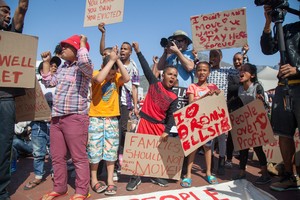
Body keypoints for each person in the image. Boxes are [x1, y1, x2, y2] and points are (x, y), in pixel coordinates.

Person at [40, 34, 93, 200]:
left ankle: (82, 191)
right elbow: (48, 82)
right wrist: (47, 62)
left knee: (78, 157)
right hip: (57, 118)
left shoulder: (83, 68)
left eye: (67, 46)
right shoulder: (63, 67)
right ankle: (60, 188)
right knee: (57, 157)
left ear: (77, 50)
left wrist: (83, 44)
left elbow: (85, 63)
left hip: (75, 118)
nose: (62, 48)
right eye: (62, 45)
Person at [126, 42, 179, 191]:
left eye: (175, 76)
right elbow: (144, 67)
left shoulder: (174, 97)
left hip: (159, 127)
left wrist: (166, 131)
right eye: (170, 74)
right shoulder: (154, 83)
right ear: (163, 76)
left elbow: (171, 116)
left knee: (156, 154)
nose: (172, 77)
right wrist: (138, 51)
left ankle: (154, 174)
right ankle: (135, 178)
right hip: (144, 122)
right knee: (138, 152)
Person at [260, 5, 300, 191]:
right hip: (284, 88)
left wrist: (297, 70)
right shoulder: (288, 29)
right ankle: (290, 176)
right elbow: (268, 50)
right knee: (284, 134)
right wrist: (268, 23)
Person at [87, 47, 129, 196]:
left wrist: (117, 60)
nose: (111, 76)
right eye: (110, 72)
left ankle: (110, 180)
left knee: (111, 151)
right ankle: (94, 179)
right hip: (96, 118)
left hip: (111, 119)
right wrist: (110, 61)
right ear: (103, 67)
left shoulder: (117, 78)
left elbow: (127, 78)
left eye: (113, 73)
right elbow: (99, 80)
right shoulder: (96, 74)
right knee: (94, 150)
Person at [0, 0, 29, 199]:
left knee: (3, 147)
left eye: (9, 12)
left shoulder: (11, 36)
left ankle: (1, 191)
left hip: (5, 99)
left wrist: (22, 6)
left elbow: (22, 10)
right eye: (3, 11)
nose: (8, 16)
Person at [23, 55, 60, 190]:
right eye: (51, 65)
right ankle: (38, 175)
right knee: (38, 152)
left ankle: (56, 173)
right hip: (38, 123)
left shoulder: (59, 84)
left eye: (56, 66)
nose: (54, 68)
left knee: (55, 152)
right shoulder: (35, 84)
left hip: (55, 122)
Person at [181, 61, 221, 188]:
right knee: (192, 149)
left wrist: (218, 95)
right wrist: (205, 97)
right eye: (199, 70)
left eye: (204, 70)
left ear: (209, 72)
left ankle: (209, 173)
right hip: (194, 124)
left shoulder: (213, 86)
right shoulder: (192, 87)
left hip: (208, 124)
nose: (202, 72)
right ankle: (188, 175)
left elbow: (217, 104)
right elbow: (191, 104)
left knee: (208, 148)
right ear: (196, 72)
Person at [231, 63, 271, 185]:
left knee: (258, 148)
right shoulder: (239, 88)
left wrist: (261, 100)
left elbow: (262, 105)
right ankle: (242, 172)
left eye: (245, 70)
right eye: (241, 70)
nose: (241, 72)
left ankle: (265, 174)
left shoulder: (257, 87)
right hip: (245, 121)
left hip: (257, 122)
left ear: (252, 75)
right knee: (243, 148)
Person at [207, 49, 239, 175]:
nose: (213, 58)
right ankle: (210, 164)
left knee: (221, 137)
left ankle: (221, 161)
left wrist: (244, 53)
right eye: (211, 56)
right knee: (210, 137)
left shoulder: (227, 70)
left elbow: (238, 72)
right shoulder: (207, 71)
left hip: (221, 107)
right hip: (208, 107)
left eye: (216, 55)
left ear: (221, 57)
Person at [225, 44, 249, 169]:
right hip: (233, 107)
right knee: (231, 135)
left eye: (239, 59)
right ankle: (229, 159)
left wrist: (244, 52)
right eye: (235, 60)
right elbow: (232, 88)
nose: (237, 61)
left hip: (245, 107)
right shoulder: (231, 74)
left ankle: (242, 162)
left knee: (244, 135)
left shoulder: (247, 73)